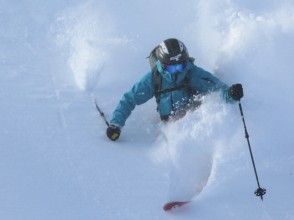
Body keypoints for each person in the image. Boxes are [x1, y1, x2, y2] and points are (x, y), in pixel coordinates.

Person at [106, 38, 243, 141]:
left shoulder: (192, 73)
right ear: (163, 65)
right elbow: (130, 99)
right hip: (169, 126)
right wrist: (116, 123)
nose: (177, 71)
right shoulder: (154, 79)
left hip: (194, 124)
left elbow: (218, 90)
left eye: (181, 66)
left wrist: (231, 94)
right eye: (173, 68)